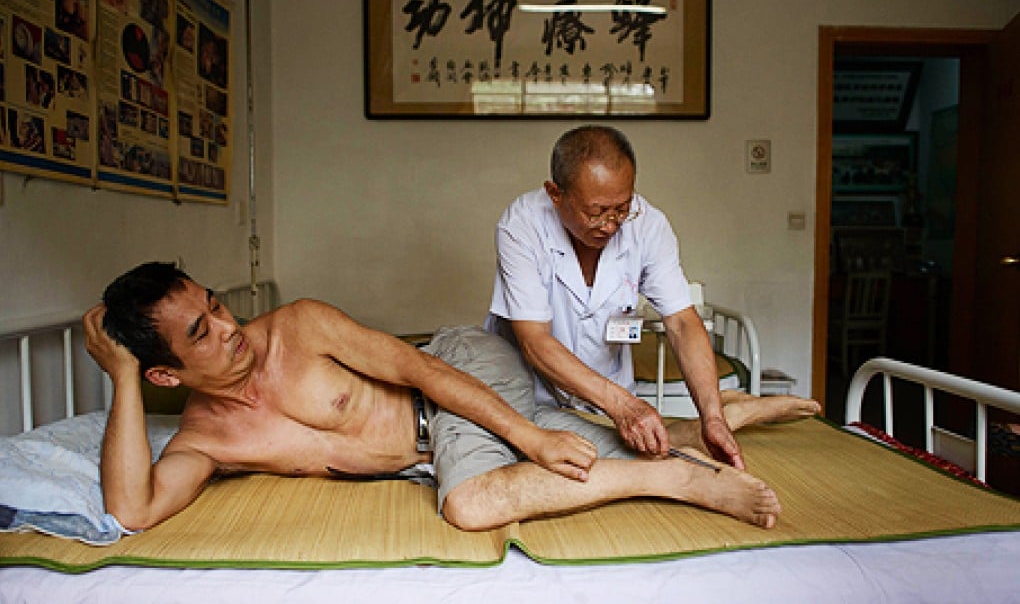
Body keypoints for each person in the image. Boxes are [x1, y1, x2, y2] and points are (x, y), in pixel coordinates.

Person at [84, 262, 818, 534]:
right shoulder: (205, 441)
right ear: (164, 375)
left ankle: (675, 478)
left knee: (470, 504)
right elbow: (132, 510)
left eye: (216, 305)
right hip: (445, 440)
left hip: (455, 373)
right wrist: (117, 374)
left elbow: (421, 370)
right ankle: (711, 425)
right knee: (582, 431)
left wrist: (529, 445)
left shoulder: (299, 327)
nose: (228, 327)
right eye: (201, 332)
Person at [486, 125, 819, 469]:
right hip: (530, 395)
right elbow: (535, 342)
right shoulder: (522, 225)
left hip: (607, 398)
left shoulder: (649, 225)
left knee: (637, 454)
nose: (611, 225)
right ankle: (741, 410)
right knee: (556, 461)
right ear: (556, 194)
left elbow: (682, 322)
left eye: (622, 208)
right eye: (597, 211)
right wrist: (624, 405)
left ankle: (726, 413)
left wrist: (712, 414)